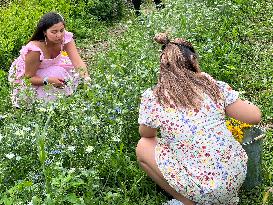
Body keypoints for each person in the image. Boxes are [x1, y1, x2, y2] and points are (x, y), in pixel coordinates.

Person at [136, 33, 262, 205]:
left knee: (143, 145)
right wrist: (232, 96)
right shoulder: (212, 86)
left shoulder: (154, 96)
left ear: (163, 67)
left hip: (202, 190)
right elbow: (255, 116)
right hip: (236, 177)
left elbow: (146, 133)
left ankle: (188, 200)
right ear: (193, 60)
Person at [8, 12, 90, 107]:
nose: (59, 35)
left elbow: (77, 62)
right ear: (44, 32)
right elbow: (28, 78)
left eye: (61, 30)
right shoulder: (35, 50)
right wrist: (49, 80)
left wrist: (86, 79)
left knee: (77, 72)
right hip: (29, 74)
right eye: (54, 32)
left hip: (51, 65)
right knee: (58, 73)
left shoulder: (65, 38)